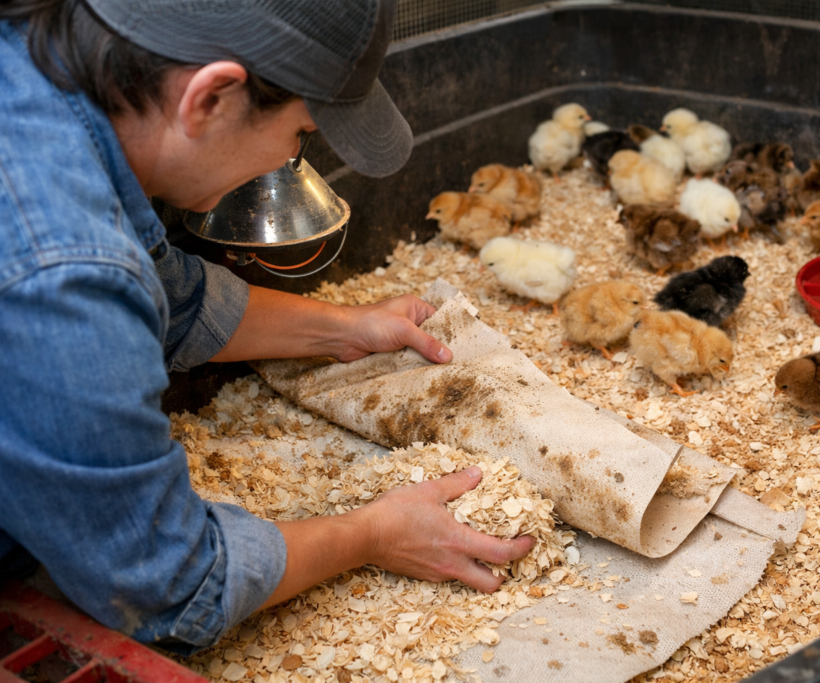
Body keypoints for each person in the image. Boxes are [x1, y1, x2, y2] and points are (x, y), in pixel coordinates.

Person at [0, 0, 533, 653]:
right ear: (212, 98)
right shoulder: (65, 270)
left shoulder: (35, 68)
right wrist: (373, 533)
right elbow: (170, 584)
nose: (293, 155)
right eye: (302, 135)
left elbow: (168, 293)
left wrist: (343, 328)